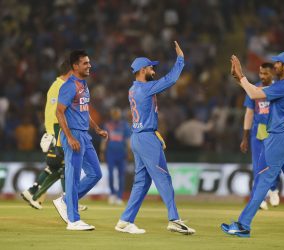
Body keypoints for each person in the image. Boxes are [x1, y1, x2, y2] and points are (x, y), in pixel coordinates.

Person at [221, 52, 284, 239]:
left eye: (278, 63)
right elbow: (257, 94)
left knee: (263, 180)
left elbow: (254, 94)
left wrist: (242, 74)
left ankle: (243, 225)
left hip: (279, 138)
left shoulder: (283, 86)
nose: (275, 65)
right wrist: (239, 78)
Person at [115, 41, 195, 235]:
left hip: (139, 137)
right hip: (146, 139)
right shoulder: (145, 88)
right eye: (151, 67)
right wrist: (180, 60)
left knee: (142, 182)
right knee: (163, 178)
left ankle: (125, 221)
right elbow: (171, 79)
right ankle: (174, 219)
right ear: (142, 70)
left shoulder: (133, 89)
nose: (153, 69)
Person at [54, 50, 108, 231]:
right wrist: (69, 137)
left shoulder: (83, 85)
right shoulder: (69, 86)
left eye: (89, 62)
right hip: (74, 135)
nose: (89, 65)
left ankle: (65, 201)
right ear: (75, 66)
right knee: (73, 176)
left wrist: (96, 128)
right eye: (85, 63)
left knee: (95, 174)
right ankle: (73, 220)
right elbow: (59, 111)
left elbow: (83, 110)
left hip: (85, 134)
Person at [21, 60, 72, 210]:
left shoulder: (56, 86)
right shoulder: (59, 87)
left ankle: (33, 192)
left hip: (55, 131)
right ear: (70, 72)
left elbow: (50, 112)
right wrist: (52, 132)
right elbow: (55, 113)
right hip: (56, 132)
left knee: (55, 166)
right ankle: (67, 200)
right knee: (63, 165)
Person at [240, 62, 280, 210]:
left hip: (275, 131)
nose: (262, 76)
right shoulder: (253, 89)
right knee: (257, 166)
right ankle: (260, 198)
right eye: (260, 73)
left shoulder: (279, 88)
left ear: (272, 74)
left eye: (266, 73)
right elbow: (249, 113)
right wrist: (245, 136)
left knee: (273, 165)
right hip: (258, 130)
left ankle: (274, 189)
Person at [100, 107, 131, 205]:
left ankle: (119, 196)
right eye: (114, 114)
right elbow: (104, 139)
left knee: (121, 175)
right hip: (111, 153)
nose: (116, 115)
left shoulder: (124, 125)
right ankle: (112, 194)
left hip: (121, 153)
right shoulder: (108, 125)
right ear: (112, 115)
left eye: (117, 114)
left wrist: (129, 152)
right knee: (111, 174)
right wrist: (102, 152)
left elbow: (128, 140)